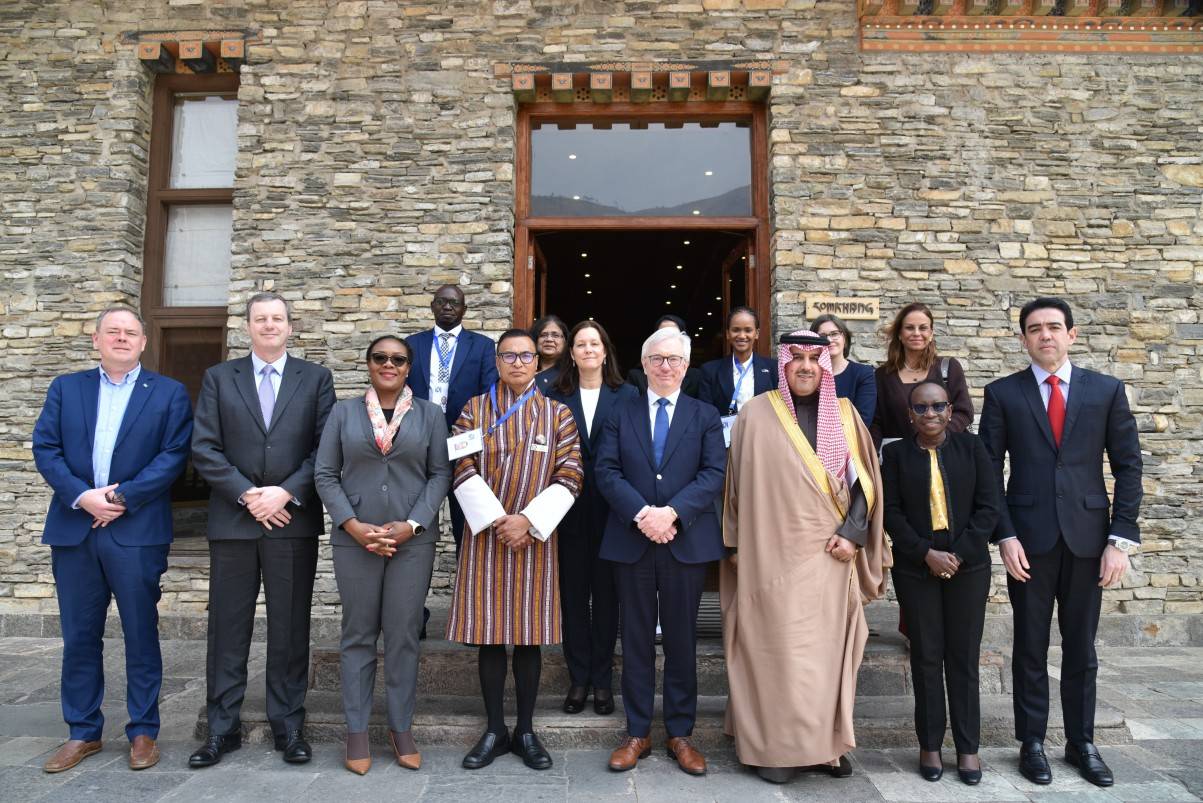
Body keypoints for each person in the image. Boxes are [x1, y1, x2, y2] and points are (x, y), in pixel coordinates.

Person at [978, 297, 1142, 788]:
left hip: (1090, 540)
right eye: (1035, 329)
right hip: (1028, 542)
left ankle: (1081, 742)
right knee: (1029, 645)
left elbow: (1128, 466)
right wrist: (1004, 534)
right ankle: (1031, 742)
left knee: (1081, 648)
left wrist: (1120, 539)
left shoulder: (1106, 390)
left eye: (1053, 327)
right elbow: (988, 471)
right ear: (1023, 339)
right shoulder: (1003, 393)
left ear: (1071, 334)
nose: (1045, 335)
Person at [720, 331, 889, 785]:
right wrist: (734, 547)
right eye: (796, 358)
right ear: (783, 364)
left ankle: (822, 748)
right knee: (773, 652)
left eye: (815, 358)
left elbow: (864, 483)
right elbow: (734, 488)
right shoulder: (754, 414)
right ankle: (773, 747)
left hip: (829, 556)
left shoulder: (845, 413)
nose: (806, 366)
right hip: (766, 557)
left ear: (826, 365)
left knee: (822, 658)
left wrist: (853, 535)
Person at [32, 306, 193, 774]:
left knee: (141, 633)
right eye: (113, 332)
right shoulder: (67, 388)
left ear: (144, 342)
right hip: (75, 529)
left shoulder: (168, 392)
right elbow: (46, 447)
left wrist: (122, 497)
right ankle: (82, 731)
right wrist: (84, 497)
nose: (122, 338)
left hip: (136, 531)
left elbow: (173, 455)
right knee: (79, 636)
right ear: (96, 339)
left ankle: (143, 731)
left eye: (130, 333)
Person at [189, 292, 336, 768]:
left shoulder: (316, 378)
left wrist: (285, 493)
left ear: (290, 327)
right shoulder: (219, 377)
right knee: (227, 628)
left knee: (290, 628)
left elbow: (324, 449)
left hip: (291, 521)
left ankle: (288, 725)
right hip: (234, 521)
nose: (269, 325)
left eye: (277, 318)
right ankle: (221, 728)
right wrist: (249, 495)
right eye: (260, 318)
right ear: (247, 326)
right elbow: (204, 447)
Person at [446, 329, 583, 771]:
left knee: (528, 637)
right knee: (489, 635)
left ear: (537, 362)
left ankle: (525, 730)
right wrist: (497, 519)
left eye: (526, 355)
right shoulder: (474, 410)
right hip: (486, 534)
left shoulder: (558, 414)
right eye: (509, 355)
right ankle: (494, 729)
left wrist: (528, 521)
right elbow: (460, 465)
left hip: (535, 537)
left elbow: (571, 473)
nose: (518, 363)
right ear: (497, 361)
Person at [314, 335, 452, 775]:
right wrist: (352, 525)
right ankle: (356, 731)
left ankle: (400, 727)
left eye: (398, 359)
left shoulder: (430, 415)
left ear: (409, 368)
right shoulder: (343, 413)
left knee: (403, 634)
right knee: (358, 634)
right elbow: (324, 473)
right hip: (356, 540)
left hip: (412, 542)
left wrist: (413, 524)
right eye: (380, 357)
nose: (388, 364)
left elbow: (440, 474)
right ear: (369, 364)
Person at [596, 327, 726, 777]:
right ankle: (637, 732)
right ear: (644, 364)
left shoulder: (705, 415)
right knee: (634, 640)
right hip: (630, 541)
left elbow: (714, 472)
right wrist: (642, 515)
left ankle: (680, 733)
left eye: (673, 359)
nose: (665, 366)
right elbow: (606, 470)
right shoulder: (620, 412)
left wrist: (671, 513)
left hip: (684, 541)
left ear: (686, 366)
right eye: (657, 358)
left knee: (681, 640)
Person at [882, 381, 999, 786]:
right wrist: (925, 554)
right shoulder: (895, 455)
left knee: (963, 658)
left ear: (950, 411)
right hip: (916, 570)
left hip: (969, 569)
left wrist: (959, 554)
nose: (929, 414)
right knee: (927, 656)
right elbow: (890, 512)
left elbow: (989, 507)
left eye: (937, 406)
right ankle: (929, 745)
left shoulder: (973, 448)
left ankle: (968, 748)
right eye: (921, 407)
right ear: (909, 414)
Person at [543, 321, 637, 716]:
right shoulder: (553, 395)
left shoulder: (628, 394)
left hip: (614, 512)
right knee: (574, 598)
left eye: (594, 343)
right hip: (567, 511)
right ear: (572, 352)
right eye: (580, 344)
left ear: (605, 350)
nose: (587, 350)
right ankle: (578, 678)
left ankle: (602, 680)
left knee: (608, 598)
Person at [405, 284, 498, 558]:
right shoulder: (413, 344)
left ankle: (465, 583)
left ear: (464, 309)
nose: (448, 307)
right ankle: (412, 583)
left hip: (464, 445)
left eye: (454, 303)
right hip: (420, 442)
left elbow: (488, 394)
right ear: (432, 306)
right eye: (442, 302)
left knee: (464, 522)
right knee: (415, 518)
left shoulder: (482, 346)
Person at [870, 302, 973, 448]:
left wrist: (936, 440)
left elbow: (964, 412)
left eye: (923, 328)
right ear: (899, 334)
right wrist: (872, 455)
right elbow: (876, 422)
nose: (916, 333)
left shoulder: (948, 368)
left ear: (931, 334)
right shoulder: (882, 376)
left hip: (946, 452)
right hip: (900, 457)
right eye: (909, 328)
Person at [697, 306, 776, 439]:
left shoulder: (773, 368)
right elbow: (705, 415)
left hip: (763, 441)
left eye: (748, 330)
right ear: (728, 334)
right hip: (724, 443)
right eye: (736, 330)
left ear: (756, 333)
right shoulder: (710, 371)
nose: (742, 336)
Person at [810, 313, 876, 426]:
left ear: (844, 338)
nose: (829, 340)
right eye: (822, 336)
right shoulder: (808, 373)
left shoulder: (863, 374)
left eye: (834, 334)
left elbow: (863, 420)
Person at [625, 314, 703, 397]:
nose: (665, 368)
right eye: (662, 333)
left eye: (672, 334)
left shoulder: (696, 377)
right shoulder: (636, 376)